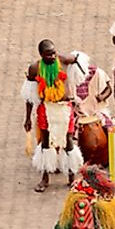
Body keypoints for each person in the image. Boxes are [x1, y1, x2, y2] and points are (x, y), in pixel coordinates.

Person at [22, 39, 84, 192]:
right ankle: (45, 177)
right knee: (45, 143)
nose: (52, 57)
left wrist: (77, 62)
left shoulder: (62, 60)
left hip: (64, 109)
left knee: (68, 142)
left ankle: (71, 176)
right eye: (48, 54)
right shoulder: (34, 68)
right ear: (41, 55)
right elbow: (29, 96)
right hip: (46, 108)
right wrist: (28, 118)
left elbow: (77, 59)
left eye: (54, 53)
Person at [66, 51, 114, 127]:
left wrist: (103, 96)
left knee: (108, 128)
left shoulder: (96, 72)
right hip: (77, 114)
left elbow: (109, 88)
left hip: (96, 111)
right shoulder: (68, 76)